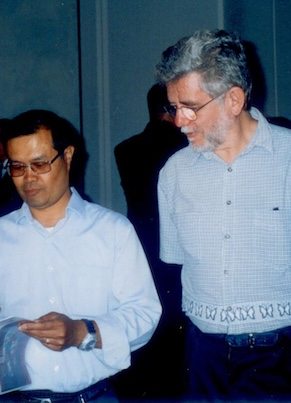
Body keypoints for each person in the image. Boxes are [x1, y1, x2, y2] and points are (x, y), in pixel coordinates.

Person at [154, 29, 291, 400]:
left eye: (191, 107)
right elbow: (176, 268)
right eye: (174, 107)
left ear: (234, 99)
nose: (179, 121)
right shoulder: (174, 173)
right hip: (205, 362)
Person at [0, 109, 162, 401]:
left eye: (39, 164)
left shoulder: (112, 230)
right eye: (17, 167)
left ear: (67, 155)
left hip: (94, 396)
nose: (28, 178)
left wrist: (82, 332)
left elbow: (144, 314)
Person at [113, 83, 187, 399]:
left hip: (140, 248)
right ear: (169, 109)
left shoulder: (126, 148)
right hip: (179, 248)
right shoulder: (185, 147)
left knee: (147, 327)